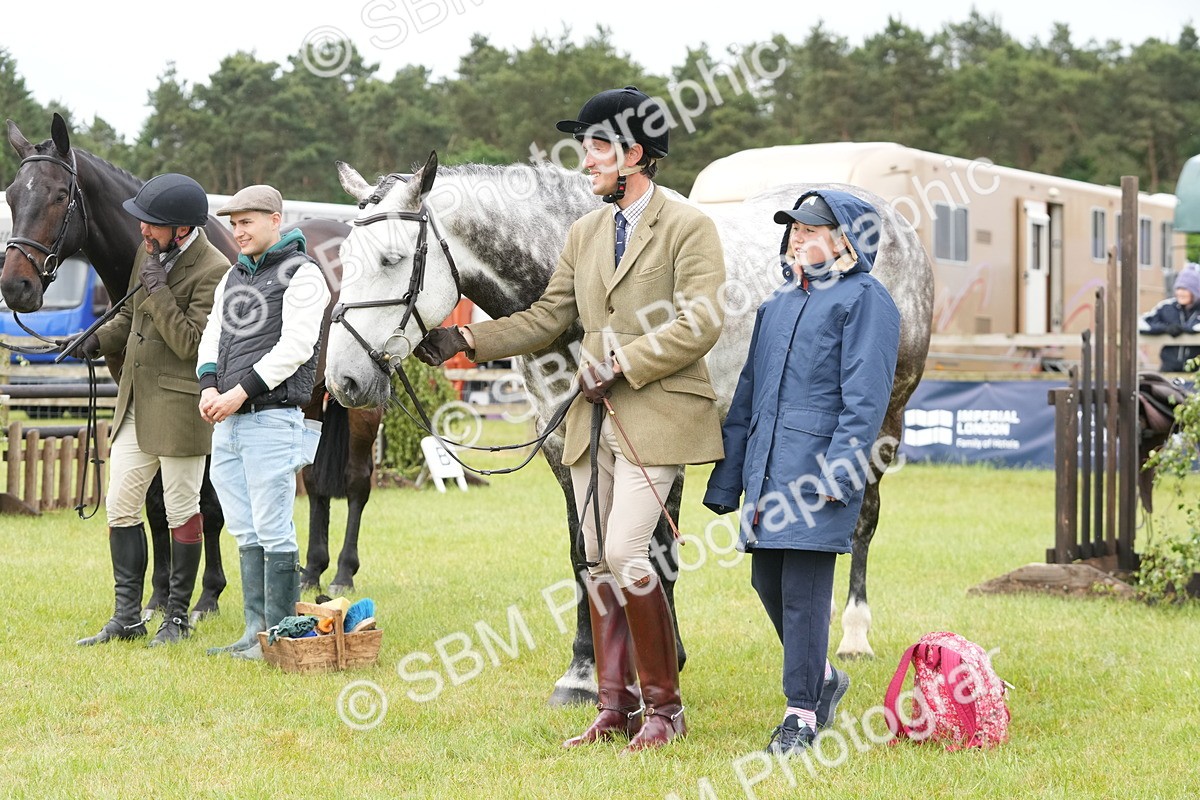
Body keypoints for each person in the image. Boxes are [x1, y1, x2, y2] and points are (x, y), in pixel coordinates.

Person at [413, 86, 726, 752]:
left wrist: (623, 361)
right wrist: (466, 339)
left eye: (597, 147)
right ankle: (615, 706)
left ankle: (665, 709)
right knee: (593, 557)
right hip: (592, 418)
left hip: (656, 412)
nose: (585, 160)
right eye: (584, 147)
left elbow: (702, 320)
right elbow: (548, 319)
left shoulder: (688, 226)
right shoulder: (584, 232)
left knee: (626, 551)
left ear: (635, 154)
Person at [703, 191, 901, 756]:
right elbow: (747, 395)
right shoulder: (778, 304)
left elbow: (865, 402)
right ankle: (825, 679)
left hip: (818, 474)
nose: (798, 237)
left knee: (804, 594)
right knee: (766, 582)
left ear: (846, 241)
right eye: (794, 229)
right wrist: (728, 479)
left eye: (812, 229)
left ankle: (802, 716)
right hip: (768, 472)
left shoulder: (867, 300)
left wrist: (839, 475)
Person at [73, 173, 229, 647]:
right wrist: (95, 339)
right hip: (135, 402)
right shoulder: (149, 253)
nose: (142, 229)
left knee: (182, 510)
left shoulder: (215, 269)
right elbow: (129, 315)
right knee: (121, 505)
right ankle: (127, 617)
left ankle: (176, 617)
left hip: (180, 408)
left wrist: (159, 290)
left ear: (182, 228)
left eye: (152, 223)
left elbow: (191, 344)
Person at [196, 185, 327, 661]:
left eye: (247, 221)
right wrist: (208, 386)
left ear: (275, 220)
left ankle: (278, 633)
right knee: (244, 529)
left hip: (272, 419)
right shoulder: (233, 276)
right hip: (229, 420)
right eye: (233, 224)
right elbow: (212, 334)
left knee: (273, 529)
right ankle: (255, 631)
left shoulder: (305, 274)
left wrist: (237, 393)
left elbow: (295, 348)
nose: (238, 231)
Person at [1140, 265, 1200, 373]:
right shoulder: (1167, 306)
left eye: (1185, 289)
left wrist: (1184, 329)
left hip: (1195, 373)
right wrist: (1165, 328)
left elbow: (1196, 327)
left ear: (1195, 291)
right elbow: (1142, 323)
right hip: (1168, 369)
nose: (1180, 293)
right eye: (1178, 288)